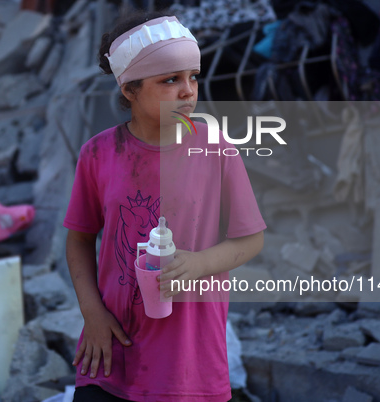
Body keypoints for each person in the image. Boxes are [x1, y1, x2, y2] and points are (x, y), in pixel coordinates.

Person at [63, 10, 266, 402]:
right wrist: (92, 314)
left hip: (188, 361)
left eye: (193, 76)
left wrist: (198, 264)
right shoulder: (99, 153)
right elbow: (79, 239)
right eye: (170, 80)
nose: (188, 91)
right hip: (111, 351)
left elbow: (251, 239)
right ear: (130, 91)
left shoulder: (216, 148)